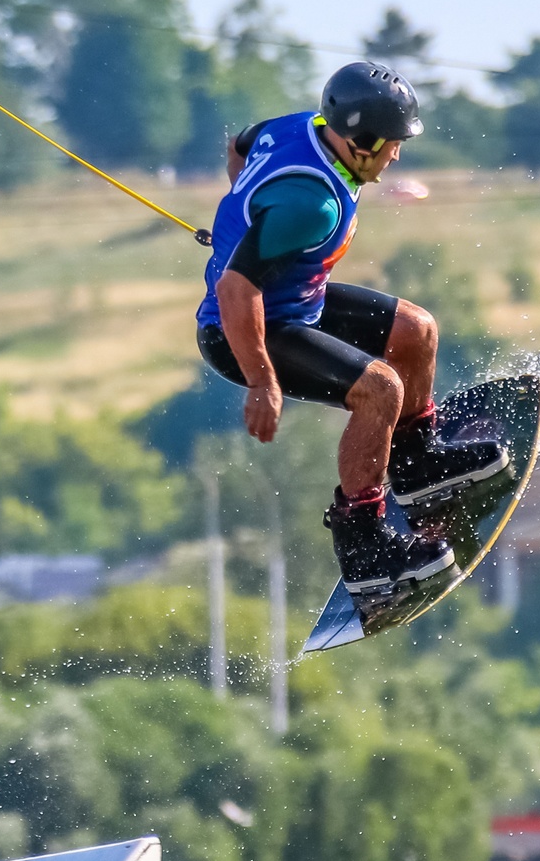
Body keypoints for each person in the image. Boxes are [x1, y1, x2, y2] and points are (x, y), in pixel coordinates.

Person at [194, 61, 508, 599]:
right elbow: (234, 292)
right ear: (360, 142)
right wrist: (262, 381)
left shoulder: (302, 125)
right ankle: (366, 548)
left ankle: (417, 463)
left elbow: (240, 147)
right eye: (391, 144)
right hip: (244, 330)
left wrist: (248, 220)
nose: (397, 155)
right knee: (379, 389)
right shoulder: (310, 205)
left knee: (417, 330)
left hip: (296, 303)